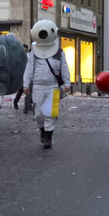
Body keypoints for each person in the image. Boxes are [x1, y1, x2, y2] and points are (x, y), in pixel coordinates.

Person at [23, 20, 71, 148]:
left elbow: (64, 67)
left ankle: (48, 136)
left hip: (53, 86)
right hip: (38, 86)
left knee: (51, 113)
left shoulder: (59, 52)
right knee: (39, 113)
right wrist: (26, 84)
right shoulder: (34, 51)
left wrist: (67, 82)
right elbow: (29, 68)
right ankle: (42, 130)